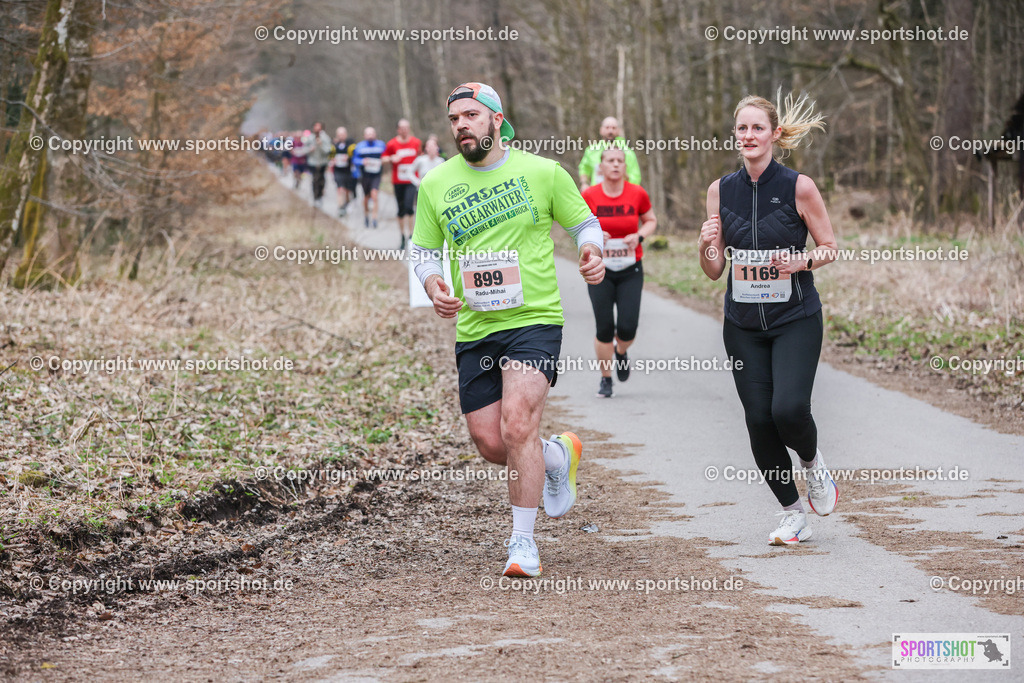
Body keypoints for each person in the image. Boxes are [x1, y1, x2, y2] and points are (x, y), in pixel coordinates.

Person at [410, 82, 605, 577]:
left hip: (533, 320)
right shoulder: (436, 184)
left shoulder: (543, 173)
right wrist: (433, 284)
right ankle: (557, 456)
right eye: (454, 119)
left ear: (497, 119)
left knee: (518, 424)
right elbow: (424, 251)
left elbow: (583, 223)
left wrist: (592, 251)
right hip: (476, 327)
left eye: (471, 116)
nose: (461, 126)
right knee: (493, 444)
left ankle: (522, 544)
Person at [698, 91, 839, 545]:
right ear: (734, 135)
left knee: (788, 409)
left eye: (758, 127)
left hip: (795, 317)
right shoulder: (720, 191)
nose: (749, 135)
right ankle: (792, 513)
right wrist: (706, 244)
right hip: (742, 325)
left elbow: (830, 248)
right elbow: (714, 269)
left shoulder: (799, 186)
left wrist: (803, 263)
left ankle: (814, 465)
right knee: (759, 419)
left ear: (775, 134)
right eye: (742, 128)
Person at [581, 147, 657, 398]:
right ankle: (606, 380)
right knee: (604, 327)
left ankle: (621, 350)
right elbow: (578, 226)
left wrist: (639, 236)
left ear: (625, 166)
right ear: (600, 167)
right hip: (599, 269)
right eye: (610, 161)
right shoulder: (590, 195)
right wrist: (592, 235)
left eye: (620, 161)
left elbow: (650, 220)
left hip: (629, 269)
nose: (615, 165)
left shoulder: (637, 193)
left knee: (627, 327)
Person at [384, 119, 422, 248]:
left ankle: (411, 235)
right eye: (402, 128)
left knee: (409, 207)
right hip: (398, 180)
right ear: (398, 130)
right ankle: (402, 236)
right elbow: (383, 158)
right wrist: (391, 158)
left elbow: (421, 157)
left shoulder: (416, 142)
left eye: (407, 127)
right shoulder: (392, 144)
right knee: (401, 209)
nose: (405, 130)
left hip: (411, 180)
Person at [578, 116, 642, 188]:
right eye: (607, 127)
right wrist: (584, 183)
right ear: (601, 130)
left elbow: (636, 178)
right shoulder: (591, 151)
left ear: (619, 131)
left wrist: (625, 176)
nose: (610, 131)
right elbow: (584, 168)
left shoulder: (628, 153)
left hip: (620, 195)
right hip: (596, 195)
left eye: (614, 128)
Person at [352, 127, 387, 228]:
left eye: (372, 133)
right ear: (364, 135)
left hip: (376, 174)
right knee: (366, 197)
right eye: (368, 134)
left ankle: (374, 218)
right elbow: (354, 160)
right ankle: (366, 215)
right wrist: (362, 161)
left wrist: (384, 160)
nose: (370, 136)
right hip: (365, 175)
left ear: (375, 134)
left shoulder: (381, 145)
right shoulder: (360, 146)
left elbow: (386, 155)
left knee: (374, 194)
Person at [302, 122, 334, 205]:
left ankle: (320, 195)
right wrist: (310, 149)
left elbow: (328, 150)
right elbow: (304, 149)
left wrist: (321, 145)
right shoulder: (310, 138)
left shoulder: (325, 138)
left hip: (322, 162)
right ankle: (315, 196)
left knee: (321, 179)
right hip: (312, 162)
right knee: (315, 179)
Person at [331, 127, 357, 217]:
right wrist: (332, 159)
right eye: (339, 135)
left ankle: (347, 203)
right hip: (338, 171)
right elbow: (330, 155)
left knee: (347, 191)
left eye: (342, 134)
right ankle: (341, 208)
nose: (341, 136)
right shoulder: (334, 144)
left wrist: (348, 157)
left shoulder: (350, 143)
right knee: (340, 189)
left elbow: (355, 153)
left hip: (348, 171)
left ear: (346, 134)